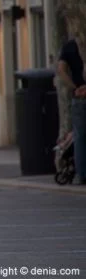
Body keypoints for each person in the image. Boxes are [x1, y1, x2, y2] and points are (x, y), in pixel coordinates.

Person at [57, 38, 86, 185]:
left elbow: (61, 69)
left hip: (79, 96)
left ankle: (82, 174)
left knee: (80, 137)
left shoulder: (69, 45)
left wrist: (74, 87)